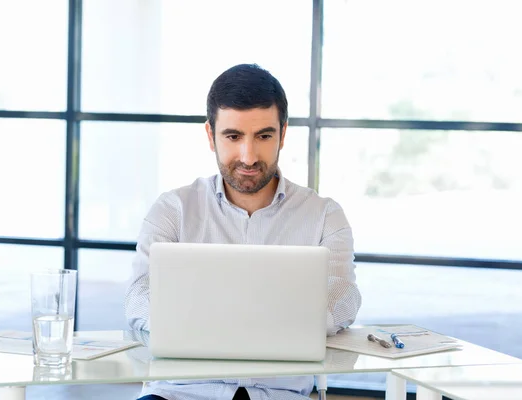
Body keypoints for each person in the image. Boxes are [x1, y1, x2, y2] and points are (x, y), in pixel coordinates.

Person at [125, 63, 362, 400]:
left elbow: (344, 299)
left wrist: (211, 322)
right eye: (233, 136)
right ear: (211, 135)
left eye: (264, 136)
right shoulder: (173, 210)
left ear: (283, 133)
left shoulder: (324, 215)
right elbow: (137, 299)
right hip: (179, 394)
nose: (249, 156)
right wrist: (266, 322)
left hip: (278, 394)